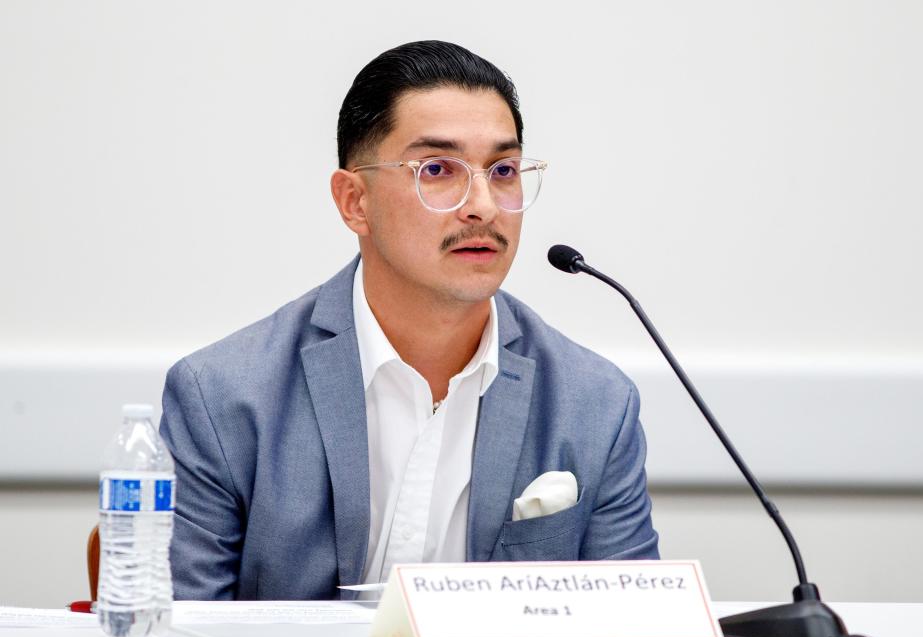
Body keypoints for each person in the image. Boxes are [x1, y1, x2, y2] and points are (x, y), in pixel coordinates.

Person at [159, 40, 659, 601]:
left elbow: (632, 620)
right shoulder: (224, 397)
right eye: (439, 169)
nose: (484, 207)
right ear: (355, 202)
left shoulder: (595, 404)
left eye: (503, 169)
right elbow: (180, 624)